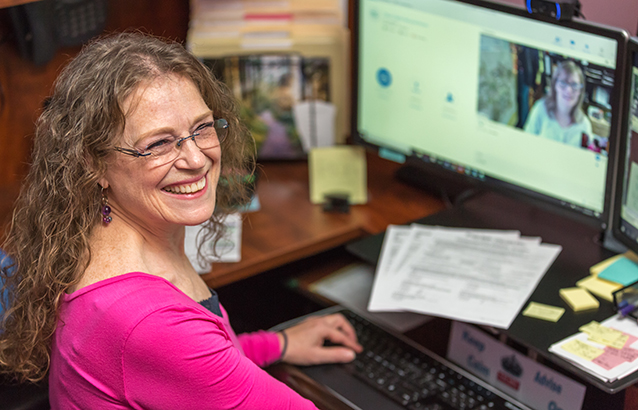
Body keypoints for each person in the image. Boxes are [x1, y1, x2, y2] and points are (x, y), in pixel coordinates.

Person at [0, 32, 362, 409]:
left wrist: (278, 343)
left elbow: (187, 368)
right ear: (93, 163)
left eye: (202, 128)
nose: (196, 159)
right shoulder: (142, 319)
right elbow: (173, 349)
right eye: (158, 144)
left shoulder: (107, 235)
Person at [523, 60, 593, 148]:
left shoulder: (584, 125)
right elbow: (525, 143)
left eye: (574, 85)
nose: (568, 90)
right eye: (563, 82)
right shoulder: (540, 109)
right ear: (555, 85)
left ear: (580, 91)